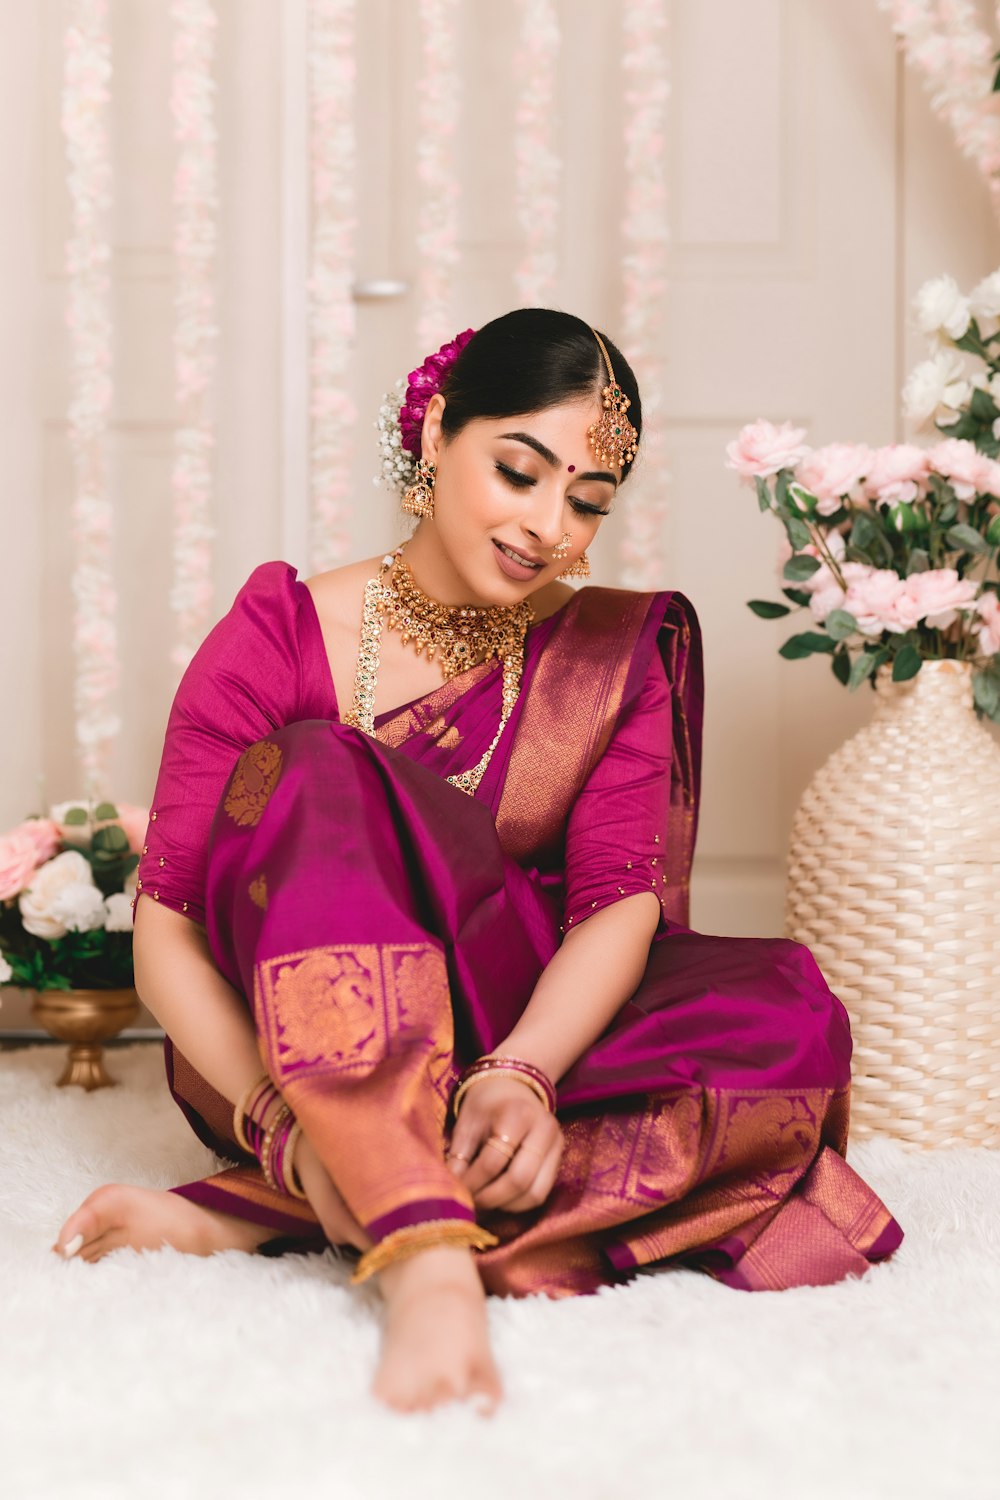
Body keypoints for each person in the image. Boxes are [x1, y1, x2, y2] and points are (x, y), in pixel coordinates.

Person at [53, 309, 902, 1414]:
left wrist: (524, 1072)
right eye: (519, 472)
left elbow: (612, 906)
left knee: (782, 1023)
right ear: (438, 431)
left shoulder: (616, 653)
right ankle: (427, 1264)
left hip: (510, 1027)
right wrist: (275, 1118)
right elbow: (167, 924)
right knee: (321, 770)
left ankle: (261, 1212)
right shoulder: (277, 637)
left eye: (587, 500)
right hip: (292, 1037)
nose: (550, 525)